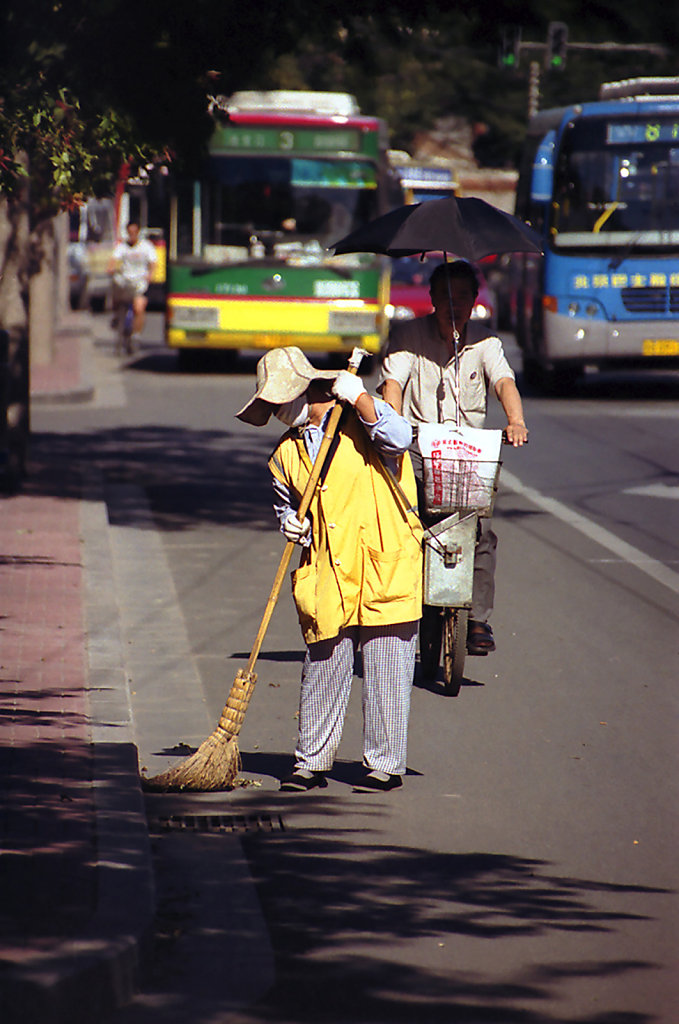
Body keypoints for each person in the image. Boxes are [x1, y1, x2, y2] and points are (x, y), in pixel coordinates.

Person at [236, 346, 423, 793]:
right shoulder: (285, 454)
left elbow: (400, 437)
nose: (280, 413)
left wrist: (360, 397)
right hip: (325, 568)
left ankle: (384, 763)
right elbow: (284, 503)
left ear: (306, 392)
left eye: (281, 402)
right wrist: (289, 522)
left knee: (387, 667)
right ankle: (311, 761)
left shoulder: (363, 421)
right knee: (324, 665)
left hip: (383, 560)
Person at [379, 259, 528, 656]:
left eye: (462, 297)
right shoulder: (408, 336)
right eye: (446, 297)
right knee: (410, 530)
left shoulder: (486, 343)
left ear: (474, 301)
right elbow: (393, 383)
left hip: (468, 454)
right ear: (432, 300)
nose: (454, 305)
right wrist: (391, 426)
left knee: (481, 532)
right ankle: (405, 611)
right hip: (417, 448)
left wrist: (516, 420)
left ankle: (477, 617)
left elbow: (504, 382)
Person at [107, 221, 157, 337]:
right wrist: (110, 268)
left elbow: (153, 262)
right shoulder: (122, 246)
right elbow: (114, 259)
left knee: (139, 308)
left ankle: (136, 335)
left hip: (139, 282)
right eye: (130, 232)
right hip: (125, 280)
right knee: (115, 292)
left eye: (134, 232)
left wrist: (150, 274)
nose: (132, 235)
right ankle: (116, 316)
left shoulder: (146, 246)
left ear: (138, 232)